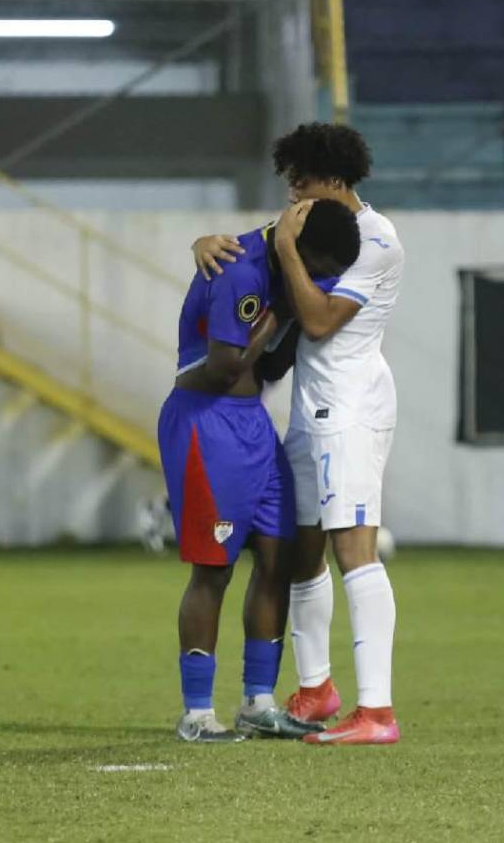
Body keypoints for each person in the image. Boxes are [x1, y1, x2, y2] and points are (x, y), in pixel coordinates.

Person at [192, 122, 404, 745]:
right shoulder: (313, 228)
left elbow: (315, 320)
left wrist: (286, 252)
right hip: (310, 412)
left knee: (353, 552)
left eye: (301, 180)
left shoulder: (376, 239)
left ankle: (377, 712)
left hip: (351, 410)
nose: (292, 193)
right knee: (299, 552)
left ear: (334, 178)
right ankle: (316, 690)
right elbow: (252, 256)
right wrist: (206, 243)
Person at [161, 198, 360, 743]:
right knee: (215, 568)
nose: (317, 280)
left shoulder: (274, 269)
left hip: (252, 423)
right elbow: (225, 367)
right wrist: (289, 306)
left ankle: (258, 702)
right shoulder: (240, 269)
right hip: (207, 423)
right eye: (317, 268)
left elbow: (267, 365)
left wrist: (293, 308)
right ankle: (197, 714)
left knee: (279, 555)